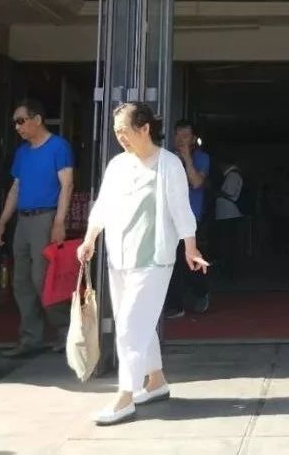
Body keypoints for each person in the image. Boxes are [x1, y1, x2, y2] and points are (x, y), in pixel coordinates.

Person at [77, 102, 209, 426]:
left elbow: (181, 209)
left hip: (154, 259)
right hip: (120, 257)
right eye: (116, 132)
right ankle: (156, 380)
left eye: (124, 130)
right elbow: (103, 205)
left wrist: (190, 247)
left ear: (145, 128)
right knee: (136, 320)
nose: (120, 137)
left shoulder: (169, 164)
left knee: (129, 325)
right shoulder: (118, 165)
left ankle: (125, 395)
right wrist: (90, 238)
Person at [0, 98, 75, 357]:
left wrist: (59, 222)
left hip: (45, 218)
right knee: (22, 281)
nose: (17, 127)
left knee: (43, 278)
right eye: (15, 122)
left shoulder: (58, 146)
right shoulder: (22, 152)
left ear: (37, 119)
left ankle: (66, 332)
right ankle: (31, 338)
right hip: (23, 220)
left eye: (21, 121)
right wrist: (2, 223)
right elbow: (15, 189)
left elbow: (67, 185)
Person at [163, 121, 211, 318]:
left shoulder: (202, 158)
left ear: (193, 139)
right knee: (170, 262)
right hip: (169, 218)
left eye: (186, 136)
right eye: (178, 135)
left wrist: (187, 159)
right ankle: (174, 305)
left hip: (192, 217)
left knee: (190, 260)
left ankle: (200, 293)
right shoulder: (166, 158)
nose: (181, 139)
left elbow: (197, 182)